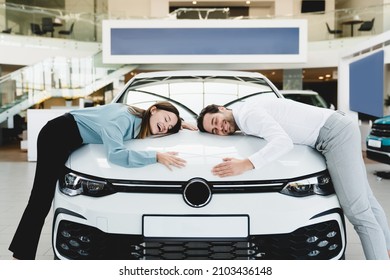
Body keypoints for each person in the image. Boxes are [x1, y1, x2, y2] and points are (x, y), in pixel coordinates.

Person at [197, 98, 390, 260]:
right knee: (368, 202)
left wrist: (245, 164)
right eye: (214, 131)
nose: (220, 129)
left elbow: (283, 142)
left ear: (221, 108)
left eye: (216, 121)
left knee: (358, 212)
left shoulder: (248, 116)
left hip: (334, 136)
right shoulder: (244, 112)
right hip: (338, 127)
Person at [9, 101, 191, 260]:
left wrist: (182, 124)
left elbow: (164, 122)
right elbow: (116, 155)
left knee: (42, 198)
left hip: (68, 136)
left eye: (169, 127)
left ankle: (21, 253)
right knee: (41, 198)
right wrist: (155, 156)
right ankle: (20, 257)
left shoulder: (139, 118)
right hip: (56, 135)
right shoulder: (124, 119)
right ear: (153, 110)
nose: (165, 126)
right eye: (166, 120)